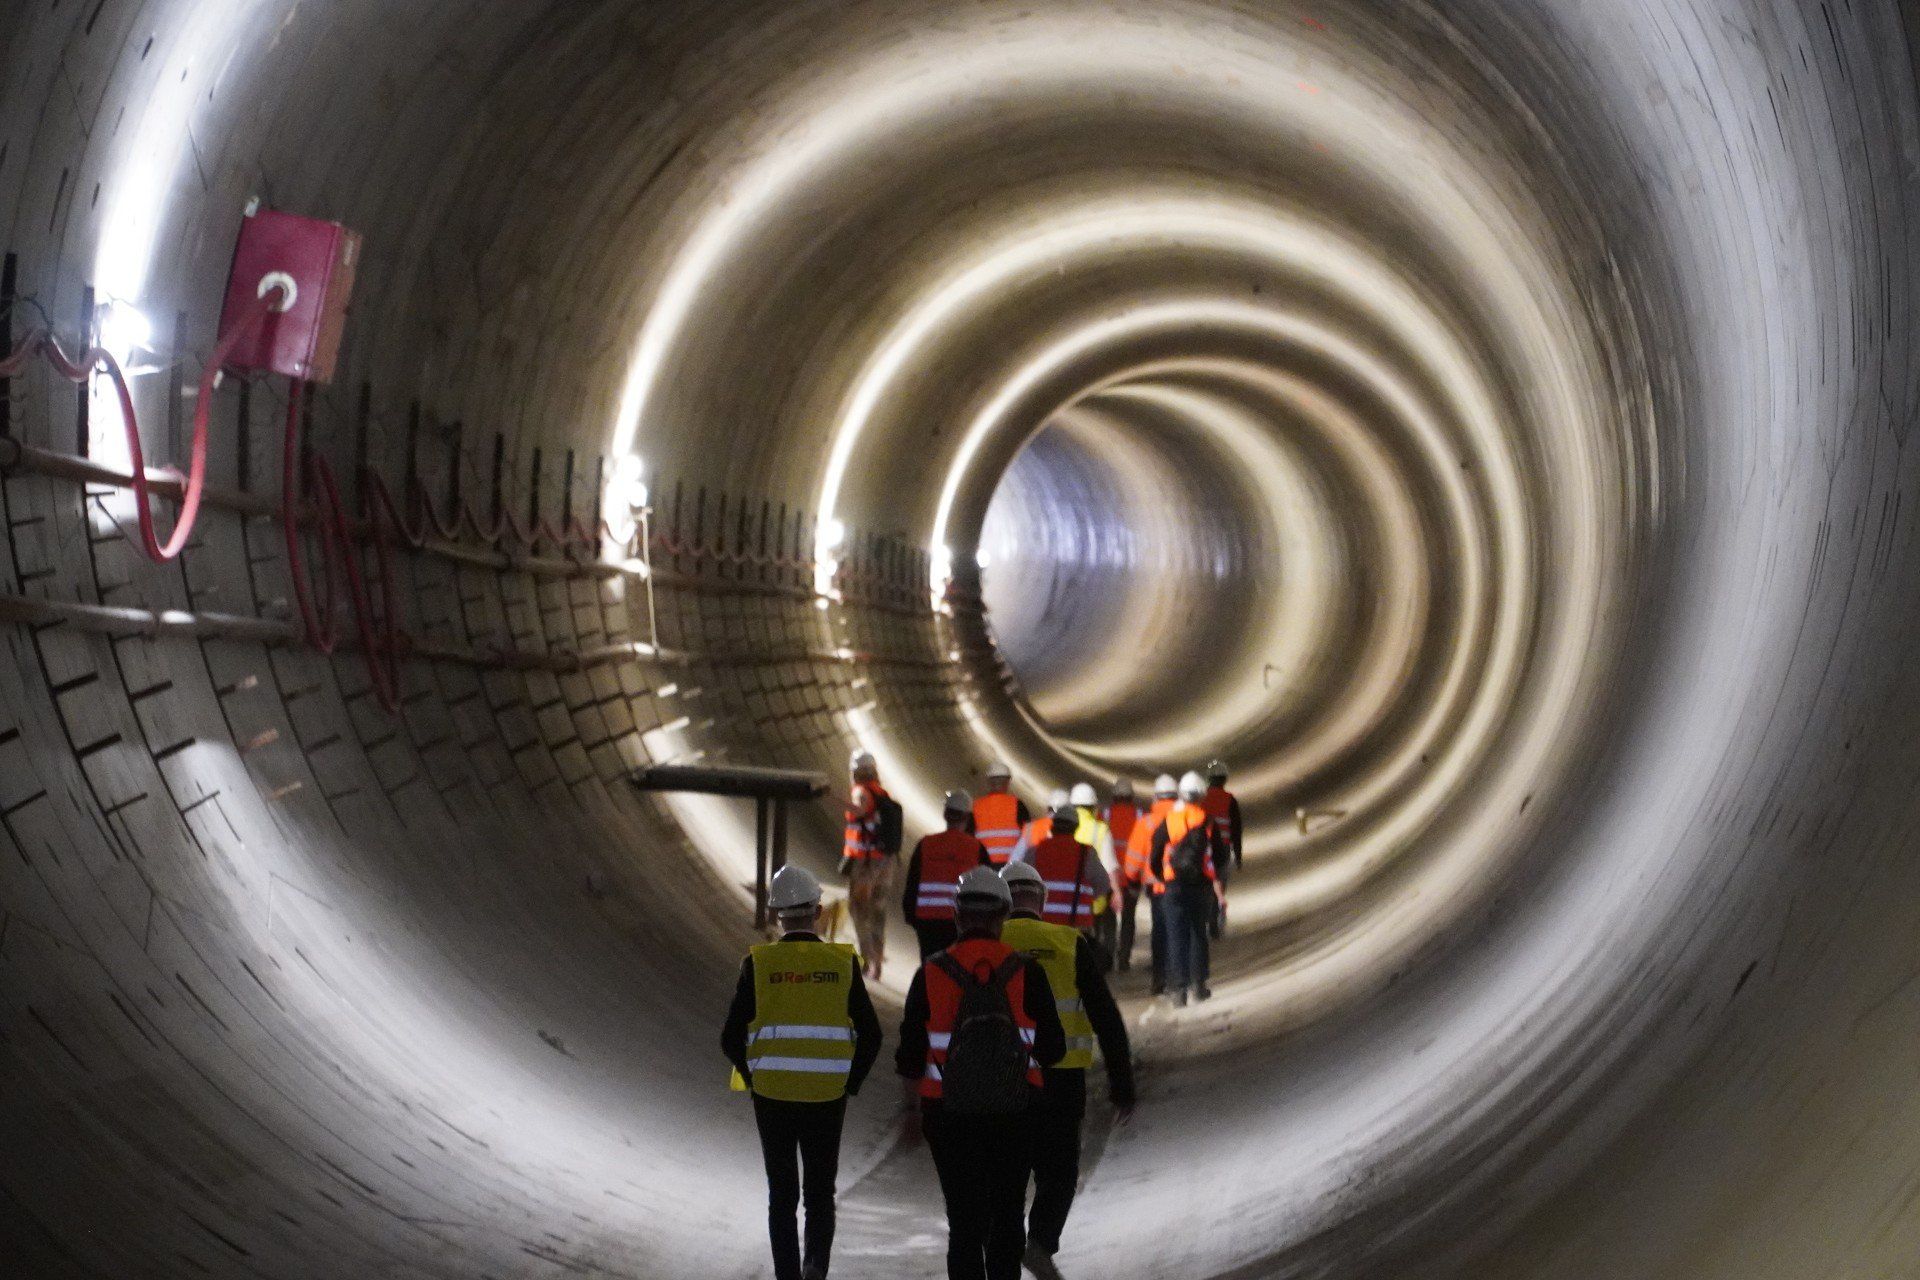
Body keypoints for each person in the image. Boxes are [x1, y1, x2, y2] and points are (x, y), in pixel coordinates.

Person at [897, 868, 1066, 1280]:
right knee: (1008, 1217)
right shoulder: (1026, 971)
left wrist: (911, 1113)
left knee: (965, 1222)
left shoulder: (931, 972)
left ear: (957, 915)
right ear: (1003, 916)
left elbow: (909, 1057)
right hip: (1016, 1111)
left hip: (947, 1114)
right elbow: (1054, 1049)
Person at [722, 866, 884, 1280]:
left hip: (772, 1097)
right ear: (817, 912)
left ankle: (788, 1275)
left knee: (782, 1195)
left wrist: (755, 1078)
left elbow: (729, 1038)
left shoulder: (758, 964)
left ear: (777, 914)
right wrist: (850, 1082)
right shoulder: (841, 963)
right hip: (826, 1097)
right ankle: (816, 1267)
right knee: (818, 1194)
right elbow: (871, 1035)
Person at [999, 863, 1136, 1280]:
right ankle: (1039, 1243)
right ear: (1041, 900)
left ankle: (1003, 1248)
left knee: (1006, 1168)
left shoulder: (989, 945)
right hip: (1061, 1077)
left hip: (1002, 1079)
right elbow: (1105, 1017)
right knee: (1058, 1172)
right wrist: (1122, 1085)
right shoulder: (1068, 942)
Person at [1150, 772, 1230, 1006]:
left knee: (1176, 936)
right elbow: (1221, 855)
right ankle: (1199, 985)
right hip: (1201, 886)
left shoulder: (1170, 820)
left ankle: (1178, 990)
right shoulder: (1207, 820)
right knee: (1198, 934)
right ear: (1201, 795)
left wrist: (1161, 876)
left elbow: (1155, 852)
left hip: (1173, 886)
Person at [903, 790, 992, 958]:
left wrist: (911, 917)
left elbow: (912, 884)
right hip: (962, 923)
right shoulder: (977, 849)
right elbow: (987, 889)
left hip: (928, 922)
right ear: (967, 817)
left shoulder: (925, 844)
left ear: (945, 814)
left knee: (930, 970)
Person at [840, 749, 900, 980]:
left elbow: (861, 809)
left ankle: (868, 960)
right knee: (878, 911)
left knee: (858, 910)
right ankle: (878, 961)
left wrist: (833, 798)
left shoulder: (861, 792)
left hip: (867, 866)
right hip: (886, 862)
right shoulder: (881, 792)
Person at [1012, 801, 1110, 932]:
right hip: (1076, 929)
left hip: (1041, 927)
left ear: (1053, 827)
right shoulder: (1086, 853)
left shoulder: (1035, 851)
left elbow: (1022, 884)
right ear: (1076, 828)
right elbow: (1103, 884)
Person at [1120, 775, 1179, 991]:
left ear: (1156, 797)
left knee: (1160, 930)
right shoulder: (1187, 818)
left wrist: (1131, 879)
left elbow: (1134, 860)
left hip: (1157, 887)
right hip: (1183, 885)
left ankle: (1159, 979)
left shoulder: (1146, 822)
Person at [1101, 780, 1144, 972]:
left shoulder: (1106, 814)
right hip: (1132, 876)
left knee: (1108, 920)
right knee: (1128, 919)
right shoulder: (1139, 815)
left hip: (1111, 876)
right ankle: (1124, 958)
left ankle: (1108, 957)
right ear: (1131, 797)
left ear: (1114, 796)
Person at [971, 762, 1030, 866]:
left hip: (983, 866)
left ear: (989, 782)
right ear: (1008, 782)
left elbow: (968, 838)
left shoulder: (975, 806)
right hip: (1011, 866)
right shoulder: (1017, 805)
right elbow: (1028, 837)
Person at [1201, 759, 1243, 883]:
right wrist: (1238, 856)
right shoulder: (1230, 800)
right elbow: (1236, 829)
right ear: (1224, 779)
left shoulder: (1201, 798)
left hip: (1203, 847)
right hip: (1223, 850)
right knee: (1220, 884)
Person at [1007, 788, 1069, 863]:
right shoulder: (1070, 828)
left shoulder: (1031, 827)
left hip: (1034, 871)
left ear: (1048, 808)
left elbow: (1016, 856)